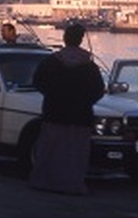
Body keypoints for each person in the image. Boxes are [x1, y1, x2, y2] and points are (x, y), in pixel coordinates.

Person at [29, 23, 104, 195]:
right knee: (74, 154)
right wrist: (84, 102)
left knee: (50, 150)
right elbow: (98, 90)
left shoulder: (51, 62)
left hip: (54, 113)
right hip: (80, 117)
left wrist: (53, 96)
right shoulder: (90, 66)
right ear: (80, 40)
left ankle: (45, 181)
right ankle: (72, 184)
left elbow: (38, 81)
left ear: (65, 38)